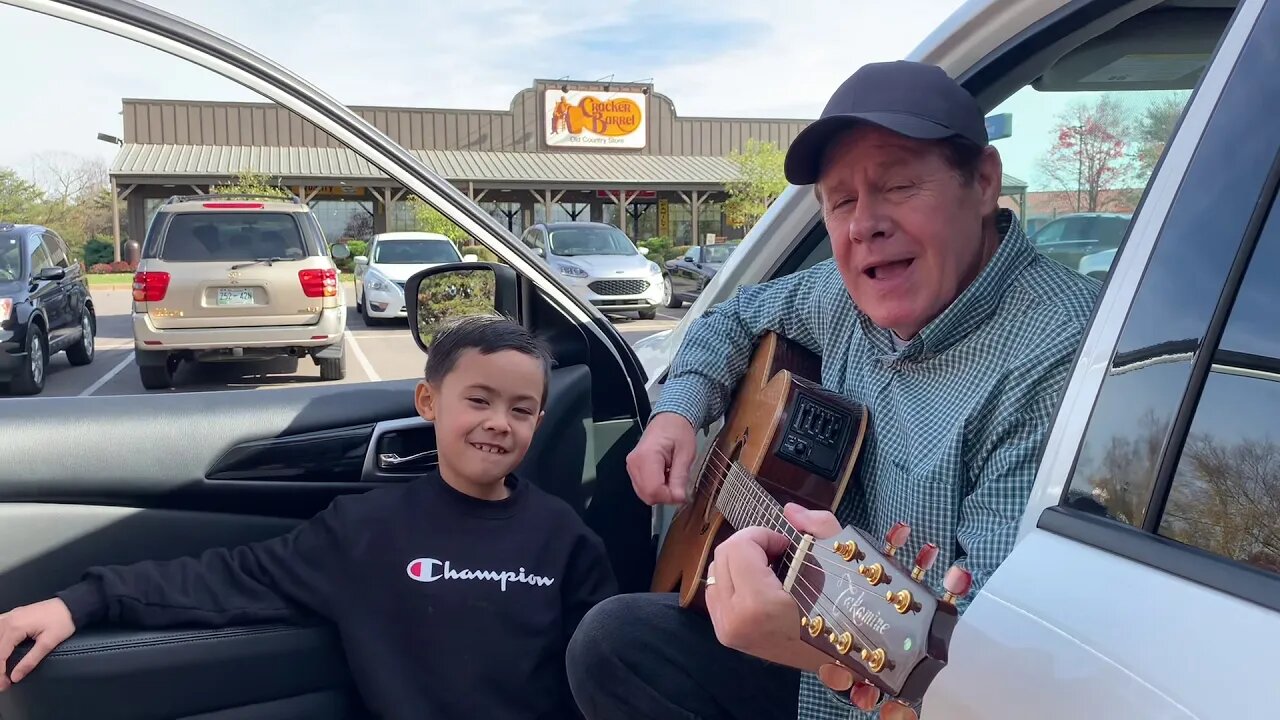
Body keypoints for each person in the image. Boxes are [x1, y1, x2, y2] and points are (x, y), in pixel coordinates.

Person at [566, 61, 1100, 720]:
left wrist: (802, 637)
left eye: (898, 185)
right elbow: (731, 320)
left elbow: (982, 659)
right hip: (822, 666)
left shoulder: (1055, 352)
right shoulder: (842, 296)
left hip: (909, 696)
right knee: (610, 643)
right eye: (841, 201)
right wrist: (677, 412)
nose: (862, 226)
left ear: (983, 181)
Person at [0, 314, 618, 720]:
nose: (497, 422)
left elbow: (597, 671)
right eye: (478, 400)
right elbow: (224, 579)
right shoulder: (365, 529)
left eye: (520, 409)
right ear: (429, 402)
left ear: (539, 422)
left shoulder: (564, 539)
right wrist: (81, 602)